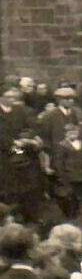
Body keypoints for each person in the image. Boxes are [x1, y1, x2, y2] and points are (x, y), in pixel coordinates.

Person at [40, 85, 82, 217]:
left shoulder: (77, 112)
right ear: (59, 100)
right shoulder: (51, 115)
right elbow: (46, 136)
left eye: (72, 98)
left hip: (77, 152)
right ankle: (67, 210)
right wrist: (49, 155)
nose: (70, 101)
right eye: (67, 98)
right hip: (59, 153)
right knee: (63, 182)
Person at [0, 84, 47, 227]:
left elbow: (31, 127)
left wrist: (28, 138)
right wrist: (15, 143)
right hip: (4, 156)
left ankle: (31, 217)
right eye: (8, 97)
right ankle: (9, 219)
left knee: (29, 187)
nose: (12, 99)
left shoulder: (22, 111)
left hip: (25, 155)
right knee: (8, 188)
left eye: (15, 97)